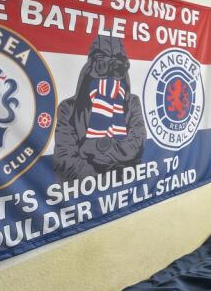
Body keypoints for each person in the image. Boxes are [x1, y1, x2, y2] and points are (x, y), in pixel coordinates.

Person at [53, 34, 145, 181]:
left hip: (126, 184)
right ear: (90, 68)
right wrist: (103, 181)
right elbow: (65, 159)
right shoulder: (69, 108)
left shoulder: (132, 103)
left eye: (117, 67)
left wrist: (89, 148)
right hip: (88, 188)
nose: (109, 77)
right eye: (102, 64)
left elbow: (136, 146)